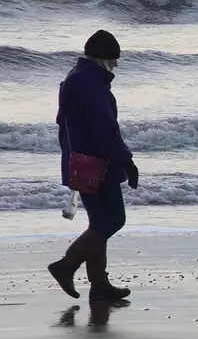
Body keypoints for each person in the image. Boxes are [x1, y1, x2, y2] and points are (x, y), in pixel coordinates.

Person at [48, 30, 139, 304]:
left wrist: (72, 158)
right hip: (99, 163)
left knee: (98, 223)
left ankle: (99, 285)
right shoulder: (91, 84)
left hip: (80, 161)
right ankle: (66, 265)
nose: (114, 67)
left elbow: (63, 125)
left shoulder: (75, 79)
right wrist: (125, 159)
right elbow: (105, 129)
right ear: (102, 59)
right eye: (112, 61)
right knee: (113, 220)